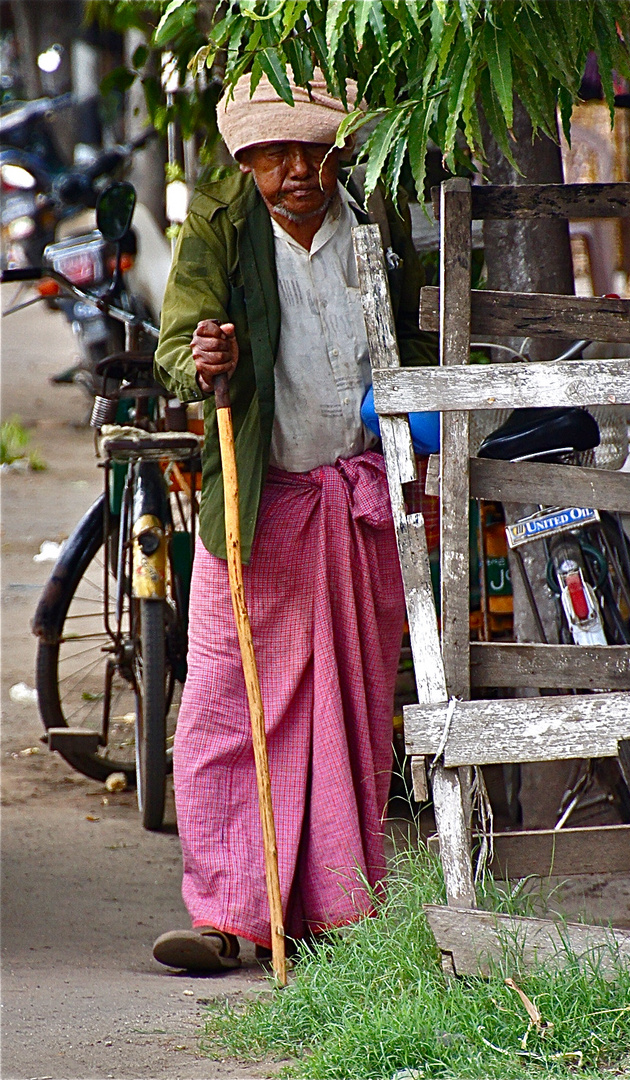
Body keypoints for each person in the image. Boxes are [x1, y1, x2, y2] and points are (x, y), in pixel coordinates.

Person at [151, 68, 435, 972]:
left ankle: (330, 912)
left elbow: (420, 344)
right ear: (248, 160)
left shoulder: (376, 224)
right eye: (273, 156)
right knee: (226, 705)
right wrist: (204, 357)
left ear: (337, 150)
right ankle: (227, 912)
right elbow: (176, 342)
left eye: (309, 150)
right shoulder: (224, 221)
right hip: (258, 501)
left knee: (348, 704)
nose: (294, 172)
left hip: (353, 499)